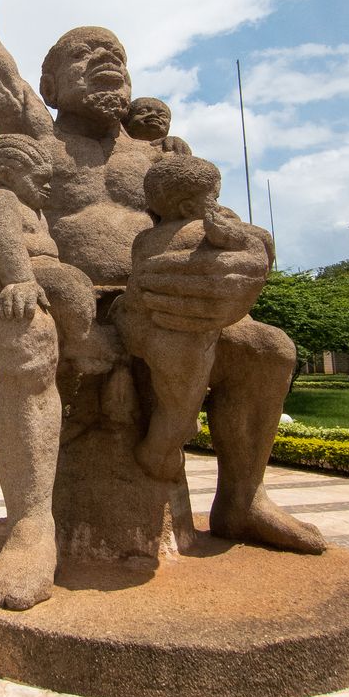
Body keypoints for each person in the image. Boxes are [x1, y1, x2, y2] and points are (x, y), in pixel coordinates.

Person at [0, 0, 325, 611]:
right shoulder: (38, 133)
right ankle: (33, 528)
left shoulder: (158, 151)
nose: (107, 66)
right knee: (24, 333)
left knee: (269, 349)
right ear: (51, 80)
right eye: (85, 57)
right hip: (70, 307)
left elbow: (214, 220)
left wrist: (249, 255)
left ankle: (241, 500)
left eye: (117, 57)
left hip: (160, 304)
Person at [126, 155, 274, 482]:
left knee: (178, 404)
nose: (217, 204)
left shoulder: (144, 239)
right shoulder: (204, 230)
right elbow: (252, 243)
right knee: (181, 409)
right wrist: (242, 237)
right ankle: (156, 451)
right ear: (188, 206)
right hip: (183, 335)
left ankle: (168, 444)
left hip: (144, 327)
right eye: (214, 197)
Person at [0, 133, 116, 375]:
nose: (47, 187)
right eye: (39, 180)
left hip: (42, 274)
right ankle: (83, 342)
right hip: (24, 275)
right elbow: (3, 241)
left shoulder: (33, 209)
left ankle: (80, 337)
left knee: (77, 284)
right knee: (69, 287)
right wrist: (20, 280)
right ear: (6, 174)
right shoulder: (3, 200)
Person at [124, 96, 191, 156]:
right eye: (143, 112)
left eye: (162, 115)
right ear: (127, 120)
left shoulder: (169, 146)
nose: (154, 115)